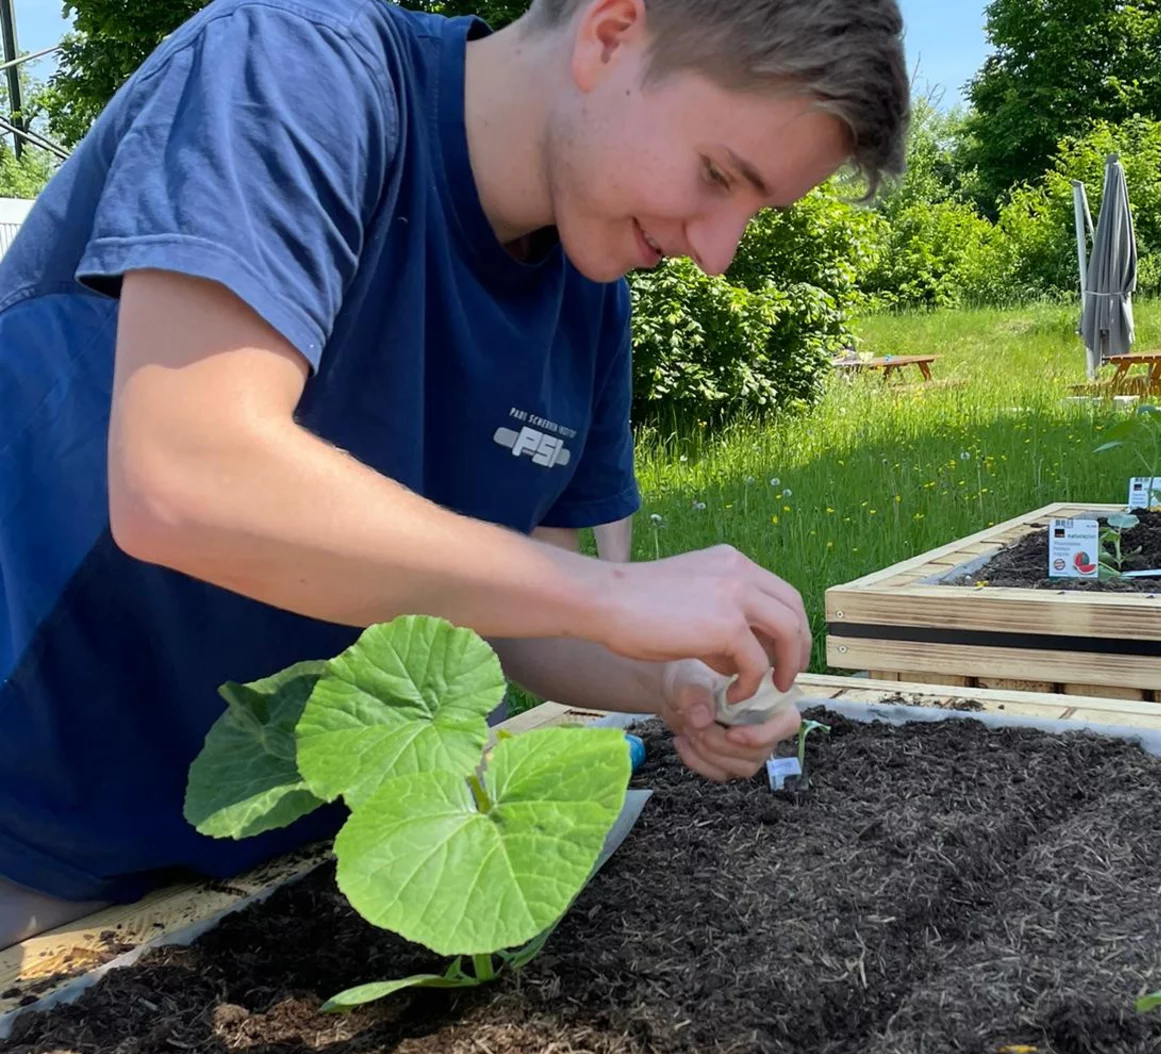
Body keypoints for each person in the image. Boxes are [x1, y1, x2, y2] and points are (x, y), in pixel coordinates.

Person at [0, 0, 909, 943]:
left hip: (275, 874)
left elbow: (519, 611)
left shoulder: (587, 283)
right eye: (718, 176)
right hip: (33, 850)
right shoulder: (292, 76)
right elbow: (185, 483)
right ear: (610, 30)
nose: (717, 253)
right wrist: (607, 592)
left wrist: (678, 679)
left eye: (755, 212)